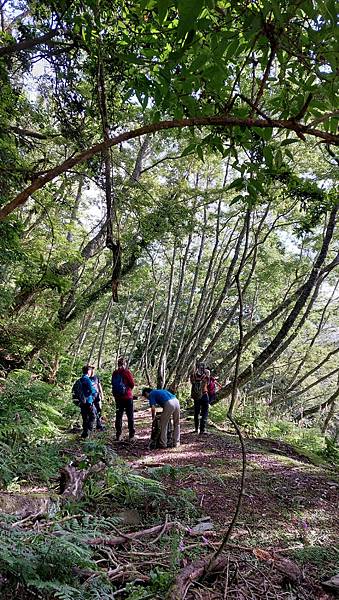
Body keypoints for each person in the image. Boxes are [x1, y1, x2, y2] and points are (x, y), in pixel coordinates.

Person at [112, 357, 135, 441]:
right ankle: (131, 435)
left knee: (119, 416)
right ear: (125, 364)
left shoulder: (115, 373)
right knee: (130, 416)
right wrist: (128, 389)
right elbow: (132, 384)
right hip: (127, 397)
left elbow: (112, 384)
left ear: (118, 364)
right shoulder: (126, 372)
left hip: (118, 398)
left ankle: (118, 435)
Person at [190, 362, 209, 434]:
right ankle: (202, 430)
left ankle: (195, 429)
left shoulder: (193, 376)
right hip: (204, 394)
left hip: (196, 396)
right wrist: (207, 374)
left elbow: (192, 382)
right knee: (205, 412)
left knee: (196, 413)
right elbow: (209, 383)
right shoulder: (205, 376)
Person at [79, 365, 97, 439]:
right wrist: (95, 392)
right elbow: (92, 390)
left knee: (84, 417)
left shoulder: (80, 380)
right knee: (92, 416)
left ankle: (84, 433)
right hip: (88, 401)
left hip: (82, 401)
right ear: (88, 371)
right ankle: (88, 432)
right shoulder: (87, 379)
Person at [89, 365, 104, 431]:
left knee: (99, 410)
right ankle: (90, 427)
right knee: (91, 412)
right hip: (90, 398)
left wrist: (102, 395)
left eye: (93, 369)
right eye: (92, 369)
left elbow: (99, 386)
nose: (93, 370)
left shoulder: (96, 377)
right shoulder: (87, 378)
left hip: (97, 397)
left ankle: (99, 425)